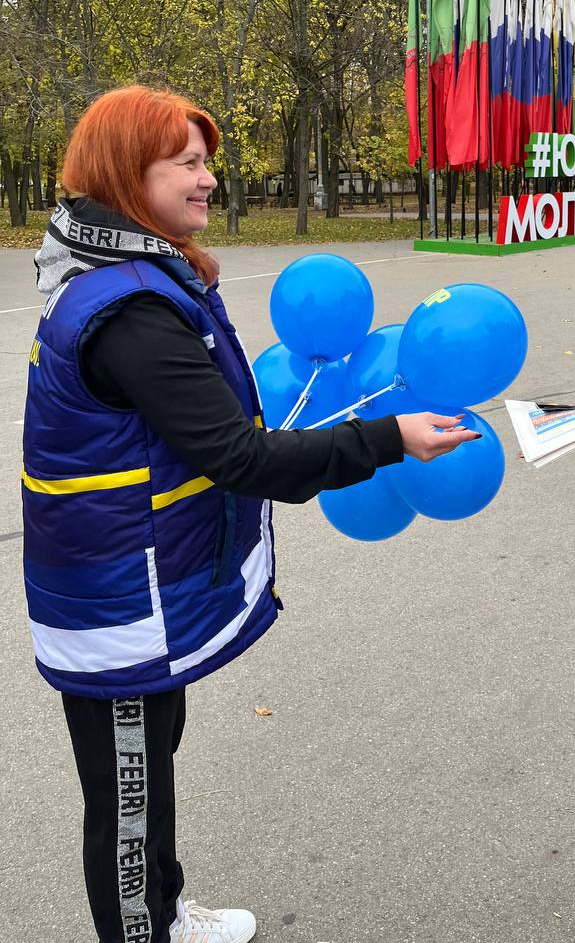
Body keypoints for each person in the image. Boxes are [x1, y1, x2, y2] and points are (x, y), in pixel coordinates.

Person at [21, 86, 479, 943]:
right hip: (119, 600)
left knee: (149, 770)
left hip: (141, 580)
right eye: (188, 164)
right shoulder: (128, 311)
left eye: (208, 162)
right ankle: (141, 927)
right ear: (129, 174)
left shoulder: (133, 274)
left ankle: (161, 913)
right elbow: (239, 458)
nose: (209, 182)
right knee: (127, 800)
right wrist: (388, 437)